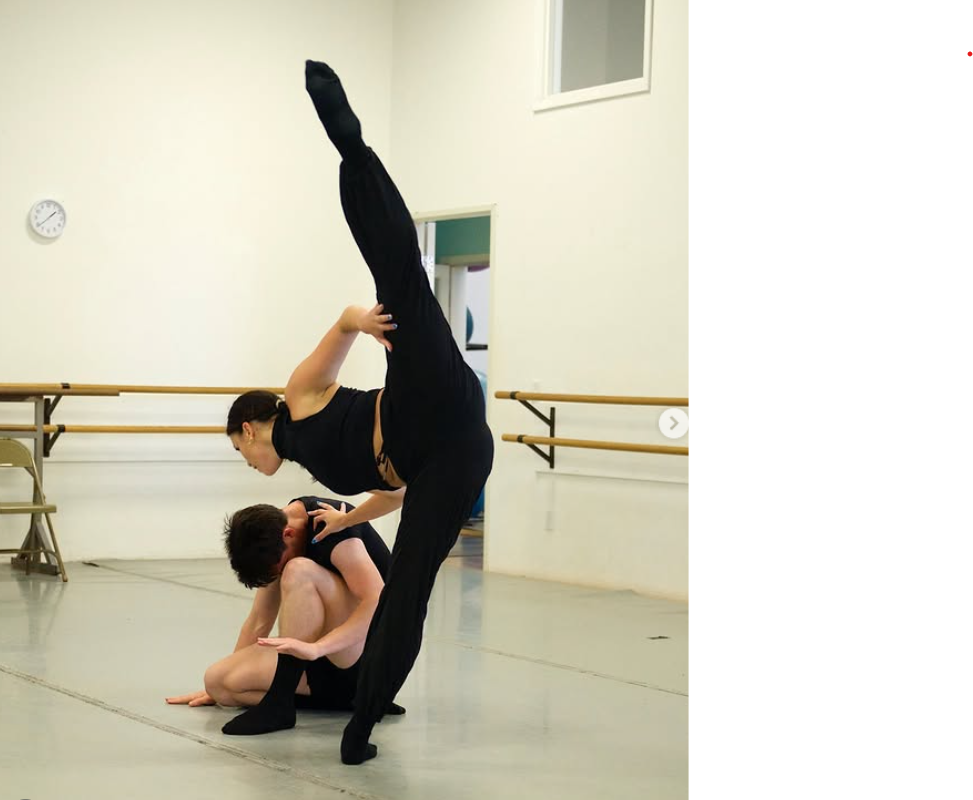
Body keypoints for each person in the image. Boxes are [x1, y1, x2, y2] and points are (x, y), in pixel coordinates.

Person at [224, 59, 494, 764]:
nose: (249, 463)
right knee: (409, 586)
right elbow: (396, 489)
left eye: (240, 450)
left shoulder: (296, 397)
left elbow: (339, 335)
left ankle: (349, 144)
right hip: (449, 456)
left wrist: (358, 322)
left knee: (401, 278)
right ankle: (360, 729)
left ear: (250, 428)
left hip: (422, 401)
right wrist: (350, 517)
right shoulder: (309, 483)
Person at [165, 496, 405, 730]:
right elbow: (259, 620)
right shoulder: (272, 537)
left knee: (298, 570)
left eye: (279, 565)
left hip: (368, 657)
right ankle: (330, 701)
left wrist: (317, 648)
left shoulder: (332, 526)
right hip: (319, 661)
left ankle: (281, 700)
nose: (281, 571)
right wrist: (231, 671)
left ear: (288, 534)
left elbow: (376, 602)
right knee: (218, 682)